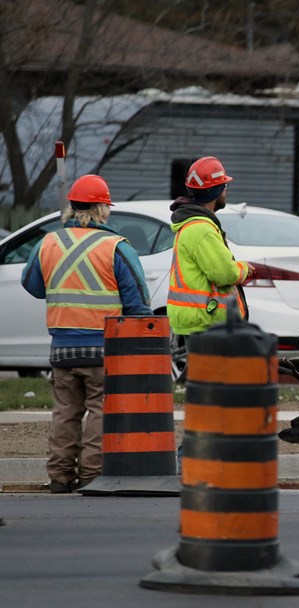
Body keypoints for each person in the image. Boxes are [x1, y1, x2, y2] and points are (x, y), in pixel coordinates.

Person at [21, 174, 152, 494]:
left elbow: (32, 285)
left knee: (65, 412)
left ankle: (60, 477)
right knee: (100, 409)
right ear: (101, 209)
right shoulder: (116, 246)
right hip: (102, 348)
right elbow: (138, 303)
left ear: (72, 208)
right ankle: (92, 474)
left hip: (62, 349)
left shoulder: (49, 242)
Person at [167, 155, 252, 338]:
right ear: (217, 191)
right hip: (205, 322)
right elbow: (224, 273)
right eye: (224, 186)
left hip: (198, 320)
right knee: (211, 368)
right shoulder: (202, 229)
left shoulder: (193, 225)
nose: (226, 192)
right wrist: (244, 269)